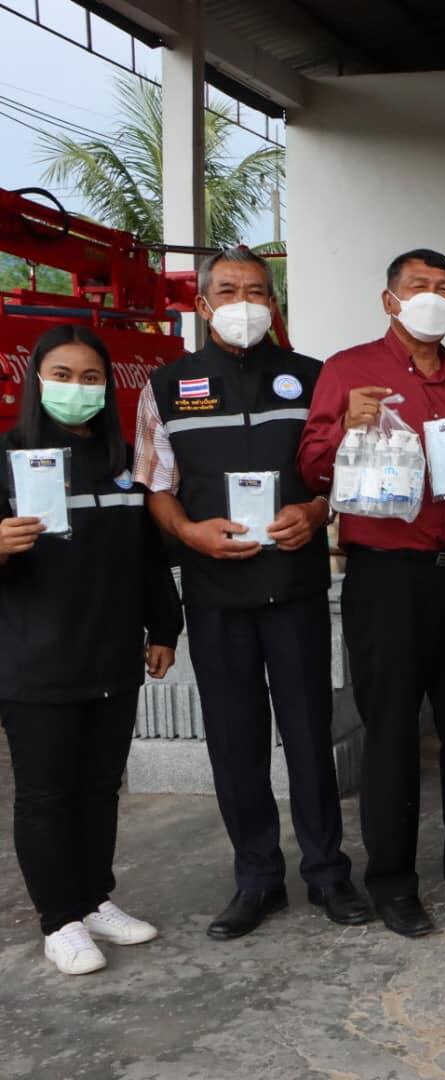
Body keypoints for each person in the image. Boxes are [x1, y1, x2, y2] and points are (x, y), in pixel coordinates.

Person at [137, 248, 366, 939]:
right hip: (216, 594)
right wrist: (189, 533)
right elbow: (156, 486)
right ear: (203, 304)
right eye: (231, 290)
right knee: (235, 745)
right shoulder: (167, 388)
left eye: (259, 291)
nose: (245, 303)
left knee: (309, 736)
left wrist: (317, 512)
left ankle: (327, 874)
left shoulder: (312, 378)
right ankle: (257, 879)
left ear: (274, 303)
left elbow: (338, 471)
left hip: (294, 589)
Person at [298, 248, 445, 938]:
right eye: (419, 285)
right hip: (385, 575)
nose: (433, 297)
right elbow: (311, 467)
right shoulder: (348, 371)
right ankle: (391, 881)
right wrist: (347, 426)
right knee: (390, 733)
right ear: (390, 299)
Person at [0, 326, 181, 975]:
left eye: (90, 377)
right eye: (62, 375)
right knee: (45, 795)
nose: (76, 388)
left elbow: (149, 557)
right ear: (36, 380)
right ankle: (59, 920)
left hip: (111, 655)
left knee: (101, 788)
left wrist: (164, 628)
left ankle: (94, 898)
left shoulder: (125, 462)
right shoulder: (8, 457)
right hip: (35, 661)